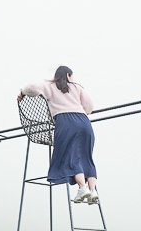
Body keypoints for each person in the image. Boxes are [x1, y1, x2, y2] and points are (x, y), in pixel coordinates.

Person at [17, 66, 99, 204]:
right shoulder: (77, 87)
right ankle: (93, 191)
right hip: (84, 122)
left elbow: (32, 87)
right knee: (87, 157)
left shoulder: (50, 86)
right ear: (68, 75)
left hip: (65, 122)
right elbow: (89, 107)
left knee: (71, 156)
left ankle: (82, 188)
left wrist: (22, 93)